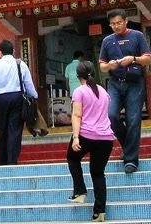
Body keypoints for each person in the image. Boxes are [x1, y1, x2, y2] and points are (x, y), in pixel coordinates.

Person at [98, 9, 151, 173]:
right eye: (112, 24)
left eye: (119, 22)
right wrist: (109, 66)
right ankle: (129, 145)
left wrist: (133, 59)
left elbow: (148, 58)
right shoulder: (107, 41)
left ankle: (130, 160)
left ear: (126, 21)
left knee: (133, 119)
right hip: (115, 83)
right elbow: (102, 65)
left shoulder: (137, 36)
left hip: (135, 82)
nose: (116, 26)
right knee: (110, 115)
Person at [66, 60, 114, 223]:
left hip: (86, 135)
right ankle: (99, 212)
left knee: (72, 158)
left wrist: (76, 137)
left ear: (77, 75)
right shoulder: (103, 91)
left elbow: (77, 115)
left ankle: (80, 191)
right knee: (98, 173)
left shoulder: (79, 91)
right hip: (106, 138)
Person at [0, 40, 39, 165]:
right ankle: (12, 160)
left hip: (0, 100)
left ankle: (2, 160)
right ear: (13, 51)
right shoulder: (20, 64)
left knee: (3, 130)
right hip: (17, 98)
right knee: (15, 130)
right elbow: (28, 83)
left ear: (0, 52)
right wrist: (34, 96)